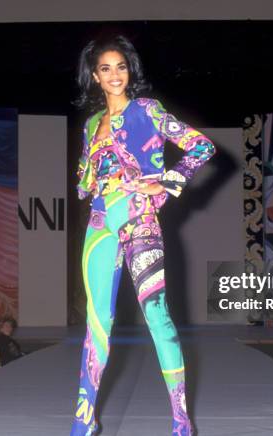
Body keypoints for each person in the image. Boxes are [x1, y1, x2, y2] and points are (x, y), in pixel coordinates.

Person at [70, 34, 215, 436]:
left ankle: (181, 422)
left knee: (157, 316)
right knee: (96, 323)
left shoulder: (148, 110)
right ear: (95, 77)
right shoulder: (91, 125)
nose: (114, 74)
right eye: (105, 68)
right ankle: (83, 423)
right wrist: (91, 176)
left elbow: (200, 147)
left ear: (129, 71)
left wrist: (166, 182)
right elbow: (84, 181)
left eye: (120, 66)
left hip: (139, 220)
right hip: (99, 225)